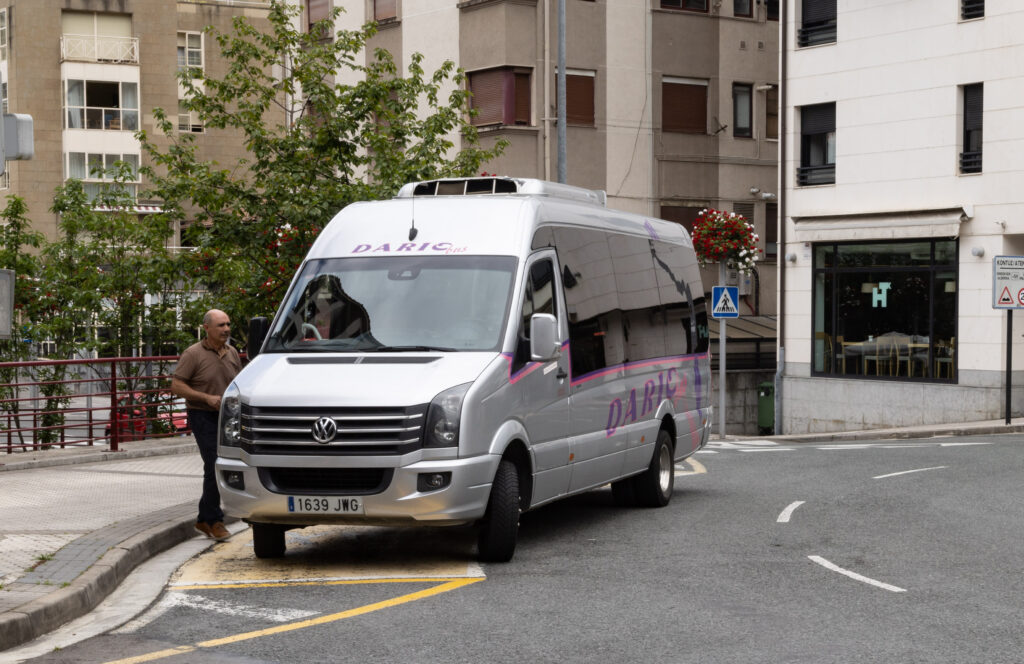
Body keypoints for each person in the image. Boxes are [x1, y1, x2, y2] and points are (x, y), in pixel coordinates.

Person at [171, 309, 242, 541]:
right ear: (207, 328)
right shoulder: (193, 354)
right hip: (202, 415)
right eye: (221, 325)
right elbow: (177, 386)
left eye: (228, 324)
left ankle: (203, 519)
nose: (226, 329)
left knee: (225, 465)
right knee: (214, 464)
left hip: (227, 417)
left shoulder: (232, 353)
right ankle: (214, 519)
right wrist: (206, 398)